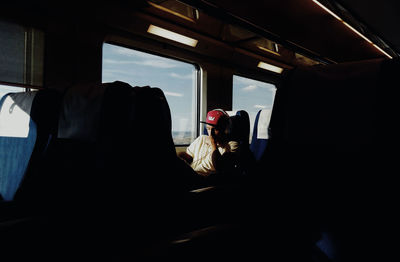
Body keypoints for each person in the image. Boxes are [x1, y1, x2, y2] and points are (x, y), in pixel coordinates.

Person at [178, 109, 240, 177]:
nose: (210, 134)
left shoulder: (232, 145)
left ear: (225, 129)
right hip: (191, 174)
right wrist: (180, 157)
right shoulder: (201, 139)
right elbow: (189, 157)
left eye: (215, 129)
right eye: (208, 128)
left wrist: (213, 143)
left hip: (206, 180)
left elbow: (219, 167)